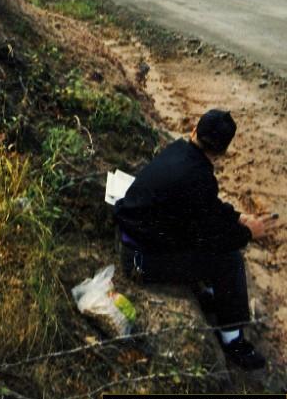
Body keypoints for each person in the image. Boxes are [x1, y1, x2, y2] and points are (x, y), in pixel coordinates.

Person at [114, 109, 279, 371]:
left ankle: (215, 297)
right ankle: (232, 340)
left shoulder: (179, 151)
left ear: (193, 131)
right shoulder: (199, 178)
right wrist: (249, 232)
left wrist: (237, 217)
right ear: (223, 153)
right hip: (140, 261)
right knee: (229, 259)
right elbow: (215, 237)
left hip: (134, 238)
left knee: (215, 241)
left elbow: (207, 208)